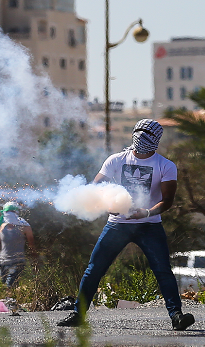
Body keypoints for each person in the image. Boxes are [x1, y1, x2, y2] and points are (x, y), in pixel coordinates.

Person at [57, 119, 195, 331]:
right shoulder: (115, 160)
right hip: (117, 224)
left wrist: (146, 212)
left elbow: (167, 200)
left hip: (149, 224)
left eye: (147, 134)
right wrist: (107, 203)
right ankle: (78, 314)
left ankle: (176, 316)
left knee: (163, 271)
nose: (141, 138)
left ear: (156, 139)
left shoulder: (165, 165)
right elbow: (95, 187)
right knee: (94, 269)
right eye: (139, 132)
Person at [0, 202, 36, 287]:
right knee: (4, 286)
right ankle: (11, 300)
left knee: (10, 286)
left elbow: (31, 246)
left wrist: (34, 263)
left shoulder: (25, 227)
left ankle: (9, 299)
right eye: (7, 212)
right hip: (4, 262)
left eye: (11, 211)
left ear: (16, 213)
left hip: (18, 262)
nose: (9, 214)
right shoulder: (1, 227)